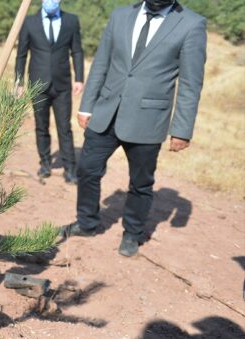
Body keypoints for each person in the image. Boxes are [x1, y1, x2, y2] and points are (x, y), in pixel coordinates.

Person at [63, 0, 206, 257]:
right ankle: (87, 223)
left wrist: (182, 129)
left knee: (140, 183)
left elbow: (190, 83)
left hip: (148, 118)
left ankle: (132, 233)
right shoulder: (120, 16)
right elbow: (101, 64)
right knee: (87, 168)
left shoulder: (192, 24)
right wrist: (87, 105)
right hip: (107, 111)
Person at [15, 0, 85, 184]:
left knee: (65, 128)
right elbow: (21, 54)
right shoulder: (29, 22)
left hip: (62, 85)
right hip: (38, 84)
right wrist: (19, 82)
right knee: (41, 126)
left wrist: (79, 78)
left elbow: (76, 50)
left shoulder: (71, 21)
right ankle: (45, 164)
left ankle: (70, 169)